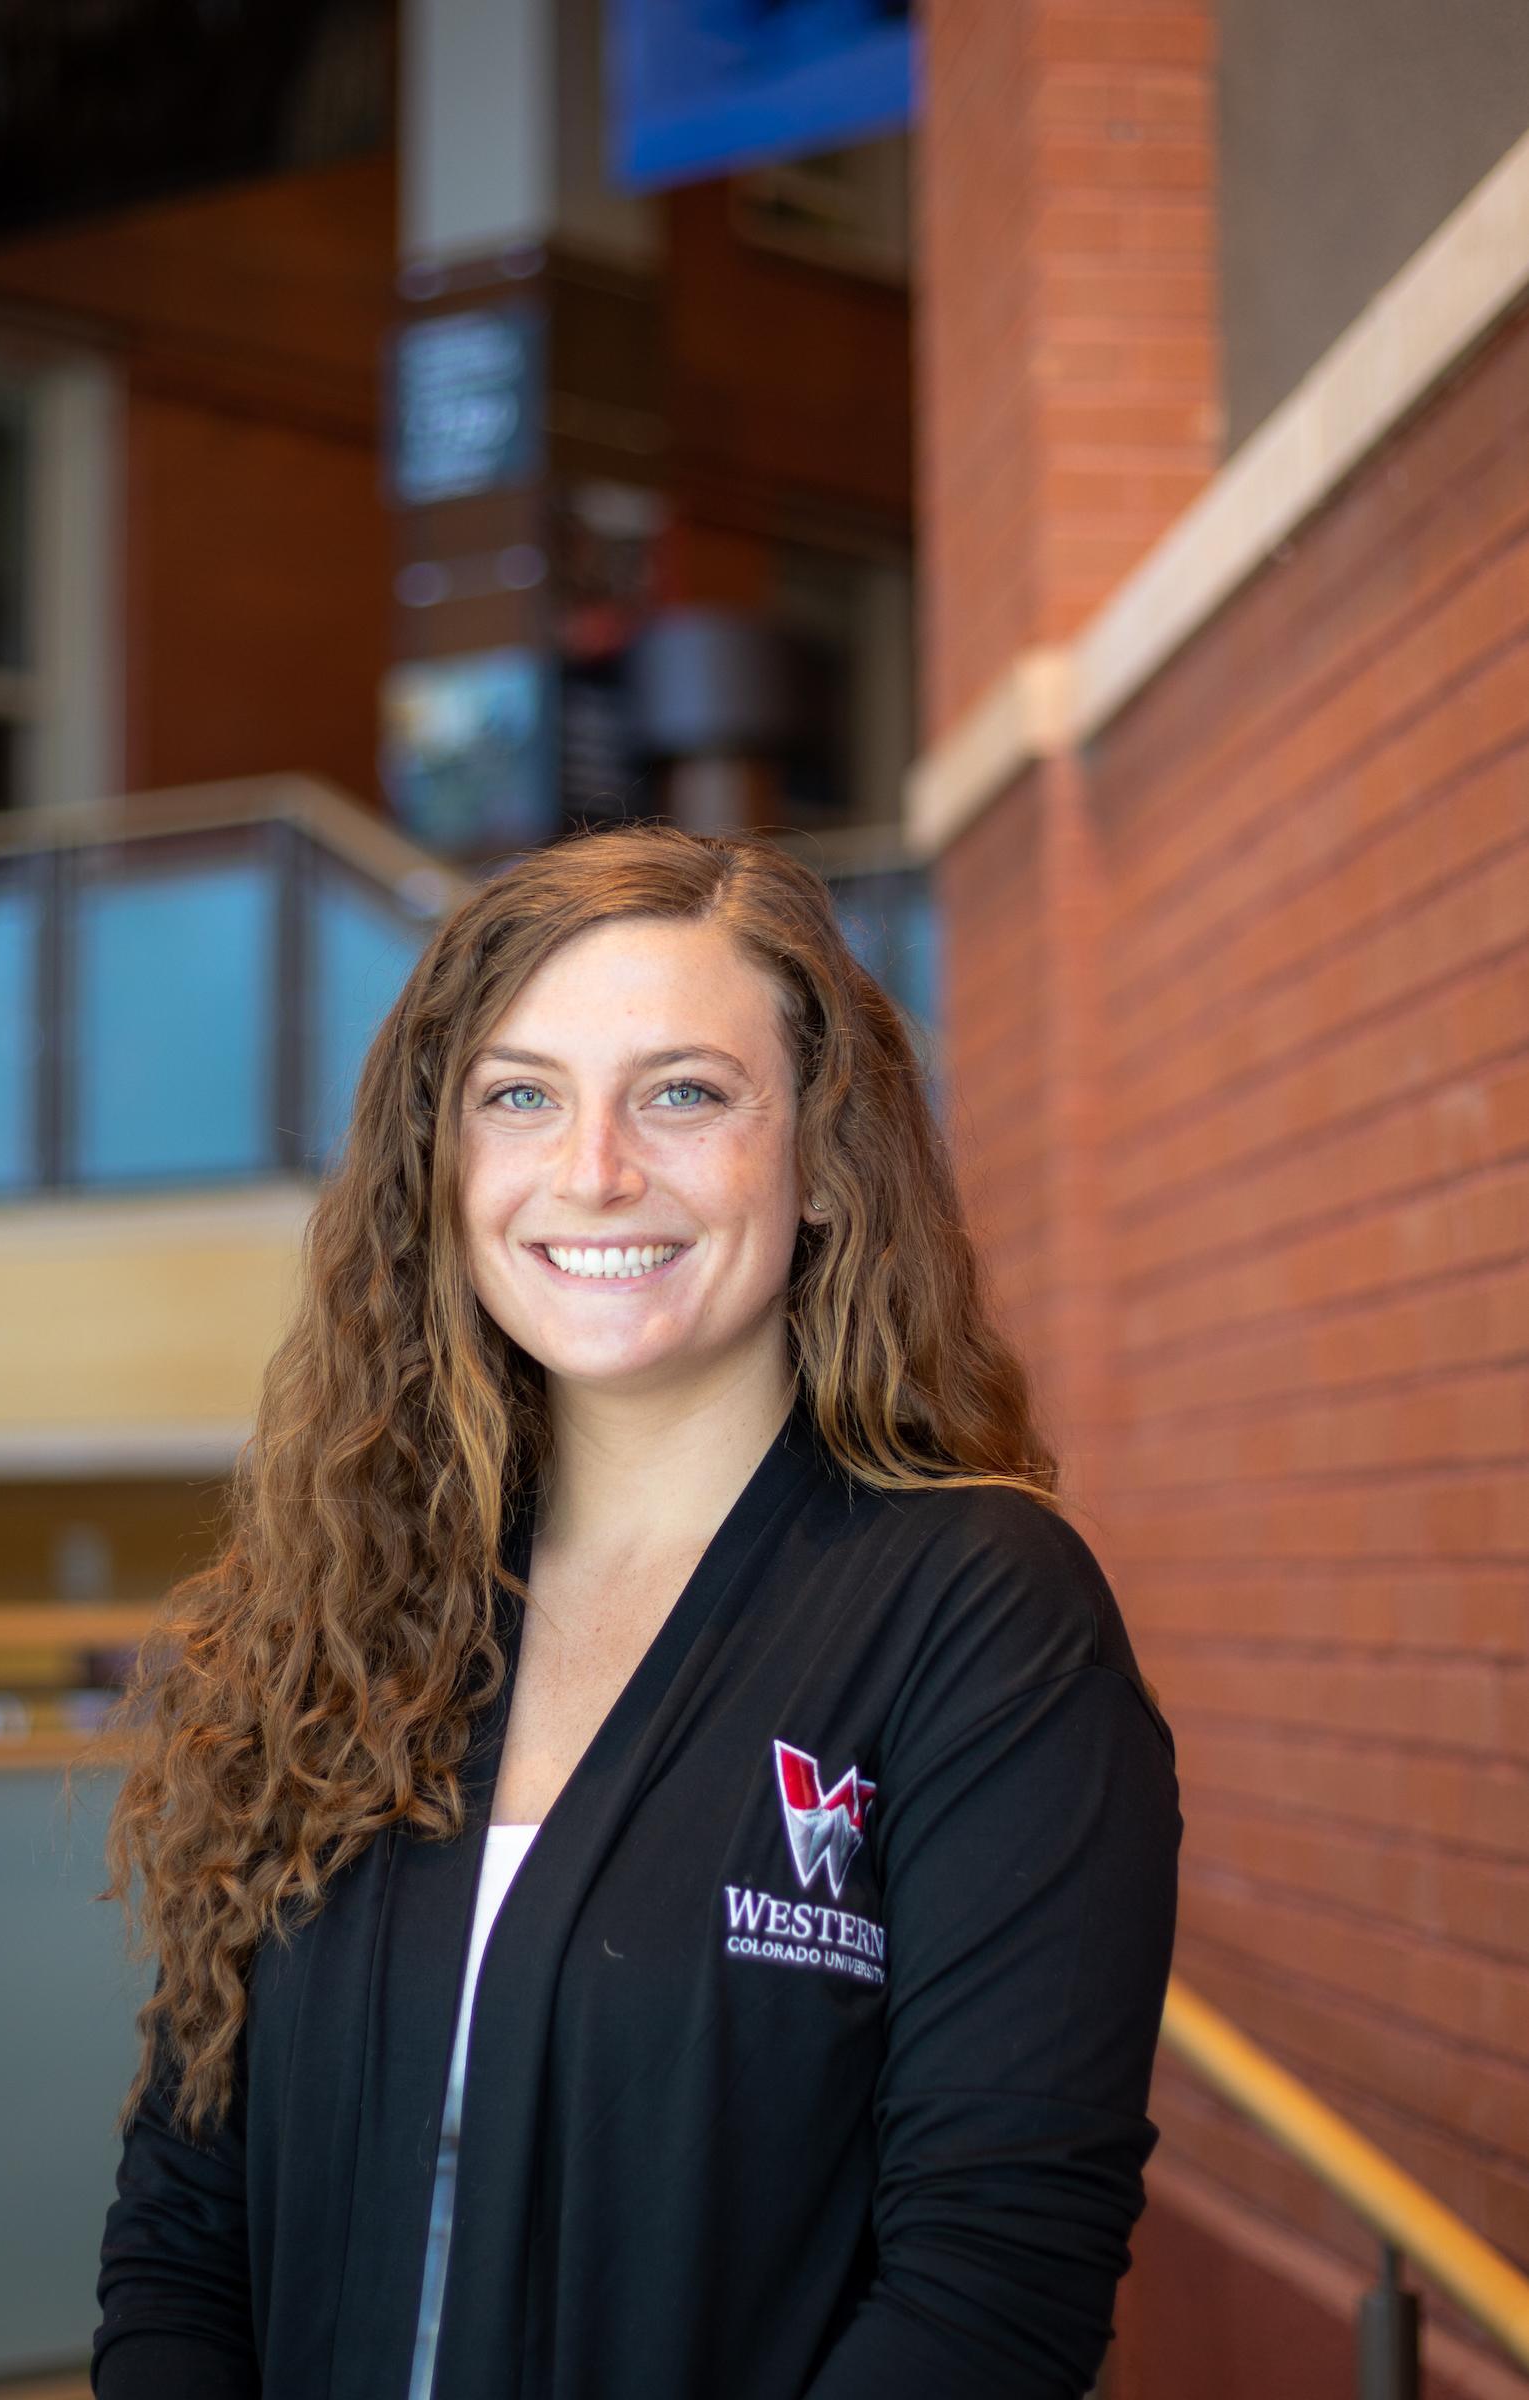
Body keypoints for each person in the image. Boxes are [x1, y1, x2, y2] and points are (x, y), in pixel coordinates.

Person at [84, 822, 1181, 2400]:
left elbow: (992, 2290)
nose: (592, 1169)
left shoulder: (978, 1615)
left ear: (820, 1166)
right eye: (519, 1095)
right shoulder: (351, 1607)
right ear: (442, 1170)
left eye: (682, 1092)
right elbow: (185, 2222)